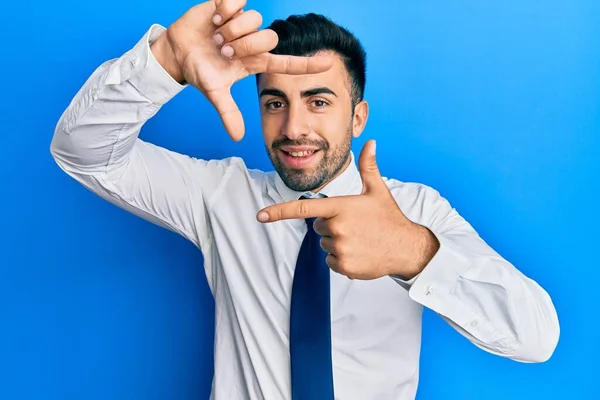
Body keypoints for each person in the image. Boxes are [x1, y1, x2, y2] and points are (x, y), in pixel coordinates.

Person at [50, 0, 560, 399]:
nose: (294, 129)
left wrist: (413, 254)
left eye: (318, 102)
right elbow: (82, 152)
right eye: (276, 103)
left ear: (357, 118)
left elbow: (536, 338)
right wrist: (162, 63)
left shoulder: (417, 212)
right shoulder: (218, 196)